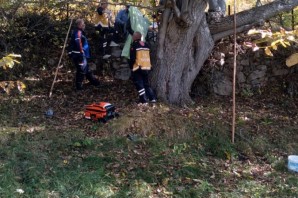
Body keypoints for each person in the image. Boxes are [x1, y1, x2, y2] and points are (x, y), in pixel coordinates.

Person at [69, 19, 100, 90]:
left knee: (86, 69)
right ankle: (78, 87)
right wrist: (81, 51)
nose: (84, 25)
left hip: (81, 54)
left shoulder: (79, 32)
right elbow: (78, 41)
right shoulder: (78, 32)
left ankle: (95, 82)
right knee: (81, 70)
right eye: (83, 24)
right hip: (79, 55)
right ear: (79, 25)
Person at [129, 32, 156, 104]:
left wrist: (131, 67)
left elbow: (132, 58)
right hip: (146, 67)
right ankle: (152, 98)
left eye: (133, 36)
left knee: (139, 85)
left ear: (134, 37)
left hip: (138, 67)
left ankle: (144, 100)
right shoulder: (146, 45)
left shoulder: (134, 45)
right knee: (146, 84)